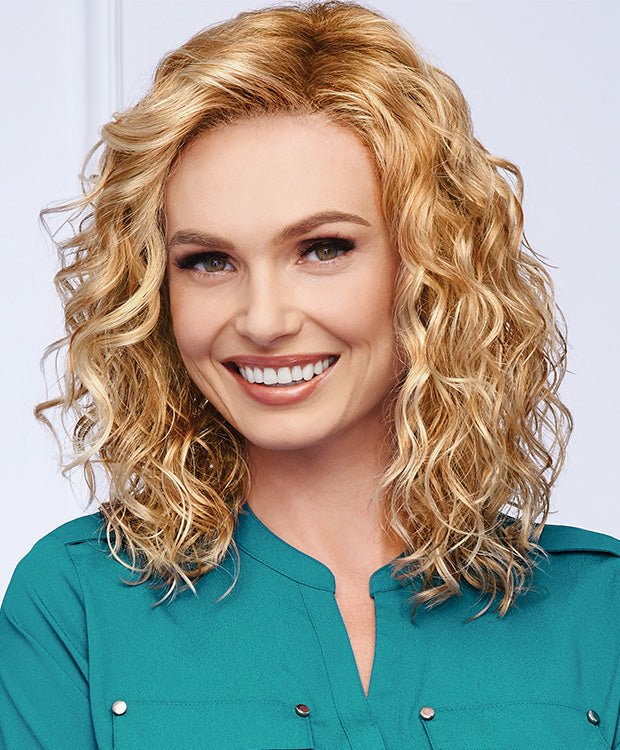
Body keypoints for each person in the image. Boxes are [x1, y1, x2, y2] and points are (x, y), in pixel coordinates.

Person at [1, 1, 618, 748]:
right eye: (208, 261)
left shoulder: (599, 610)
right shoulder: (77, 604)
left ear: (428, 268)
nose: (263, 319)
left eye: (323, 249)